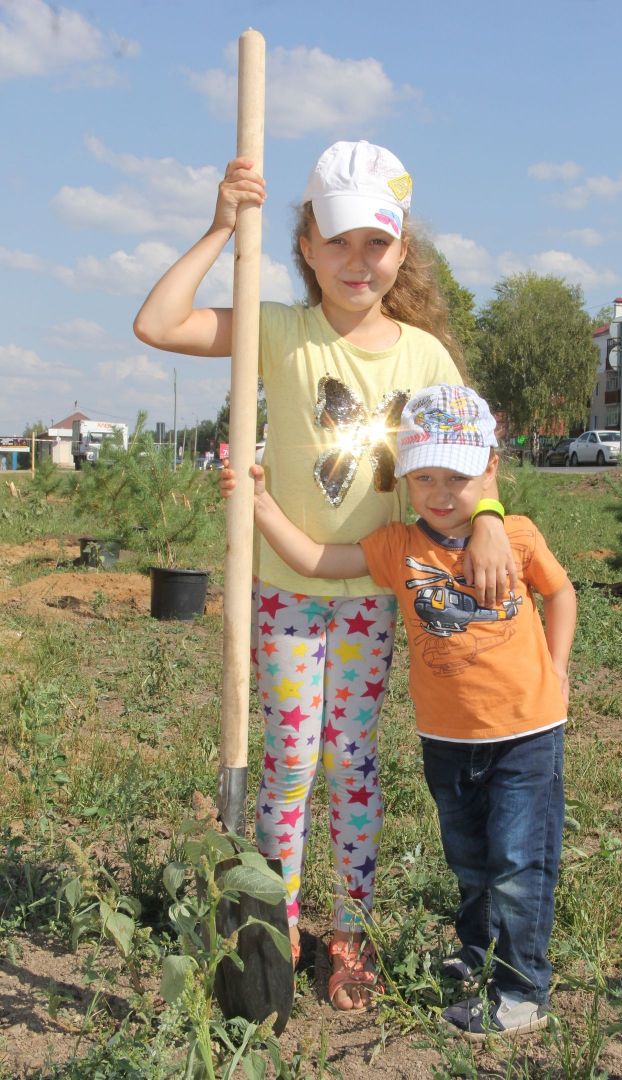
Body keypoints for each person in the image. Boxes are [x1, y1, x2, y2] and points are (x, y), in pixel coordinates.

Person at [134, 140, 516, 1012]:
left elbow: (478, 457)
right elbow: (158, 324)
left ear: (400, 251)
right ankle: (277, 926)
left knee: (352, 762)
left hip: (375, 599)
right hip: (285, 594)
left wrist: (488, 520)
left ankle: (348, 932)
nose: (356, 261)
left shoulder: (423, 357)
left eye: (374, 244)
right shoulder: (278, 333)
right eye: (337, 242)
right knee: (291, 765)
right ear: (305, 245)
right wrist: (219, 225)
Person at [223, 383, 577, 1037]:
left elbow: (561, 594)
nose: (441, 494)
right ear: (406, 479)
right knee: (472, 862)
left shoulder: (518, 537)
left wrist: (556, 670)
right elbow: (317, 560)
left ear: (491, 470)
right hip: (447, 741)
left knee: (518, 866)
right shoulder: (397, 547)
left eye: (458, 477)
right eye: (424, 479)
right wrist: (261, 503)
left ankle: (523, 989)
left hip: (527, 736)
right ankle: (476, 957)